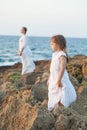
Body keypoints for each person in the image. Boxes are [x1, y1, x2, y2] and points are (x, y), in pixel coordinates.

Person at [47, 35, 77, 111]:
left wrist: (59, 79)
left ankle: (62, 106)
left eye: (52, 44)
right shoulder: (54, 54)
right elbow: (52, 69)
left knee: (62, 92)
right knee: (54, 92)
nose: (50, 45)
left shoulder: (62, 55)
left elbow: (62, 68)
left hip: (60, 77)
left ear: (58, 44)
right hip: (53, 78)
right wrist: (49, 78)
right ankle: (55, 106)